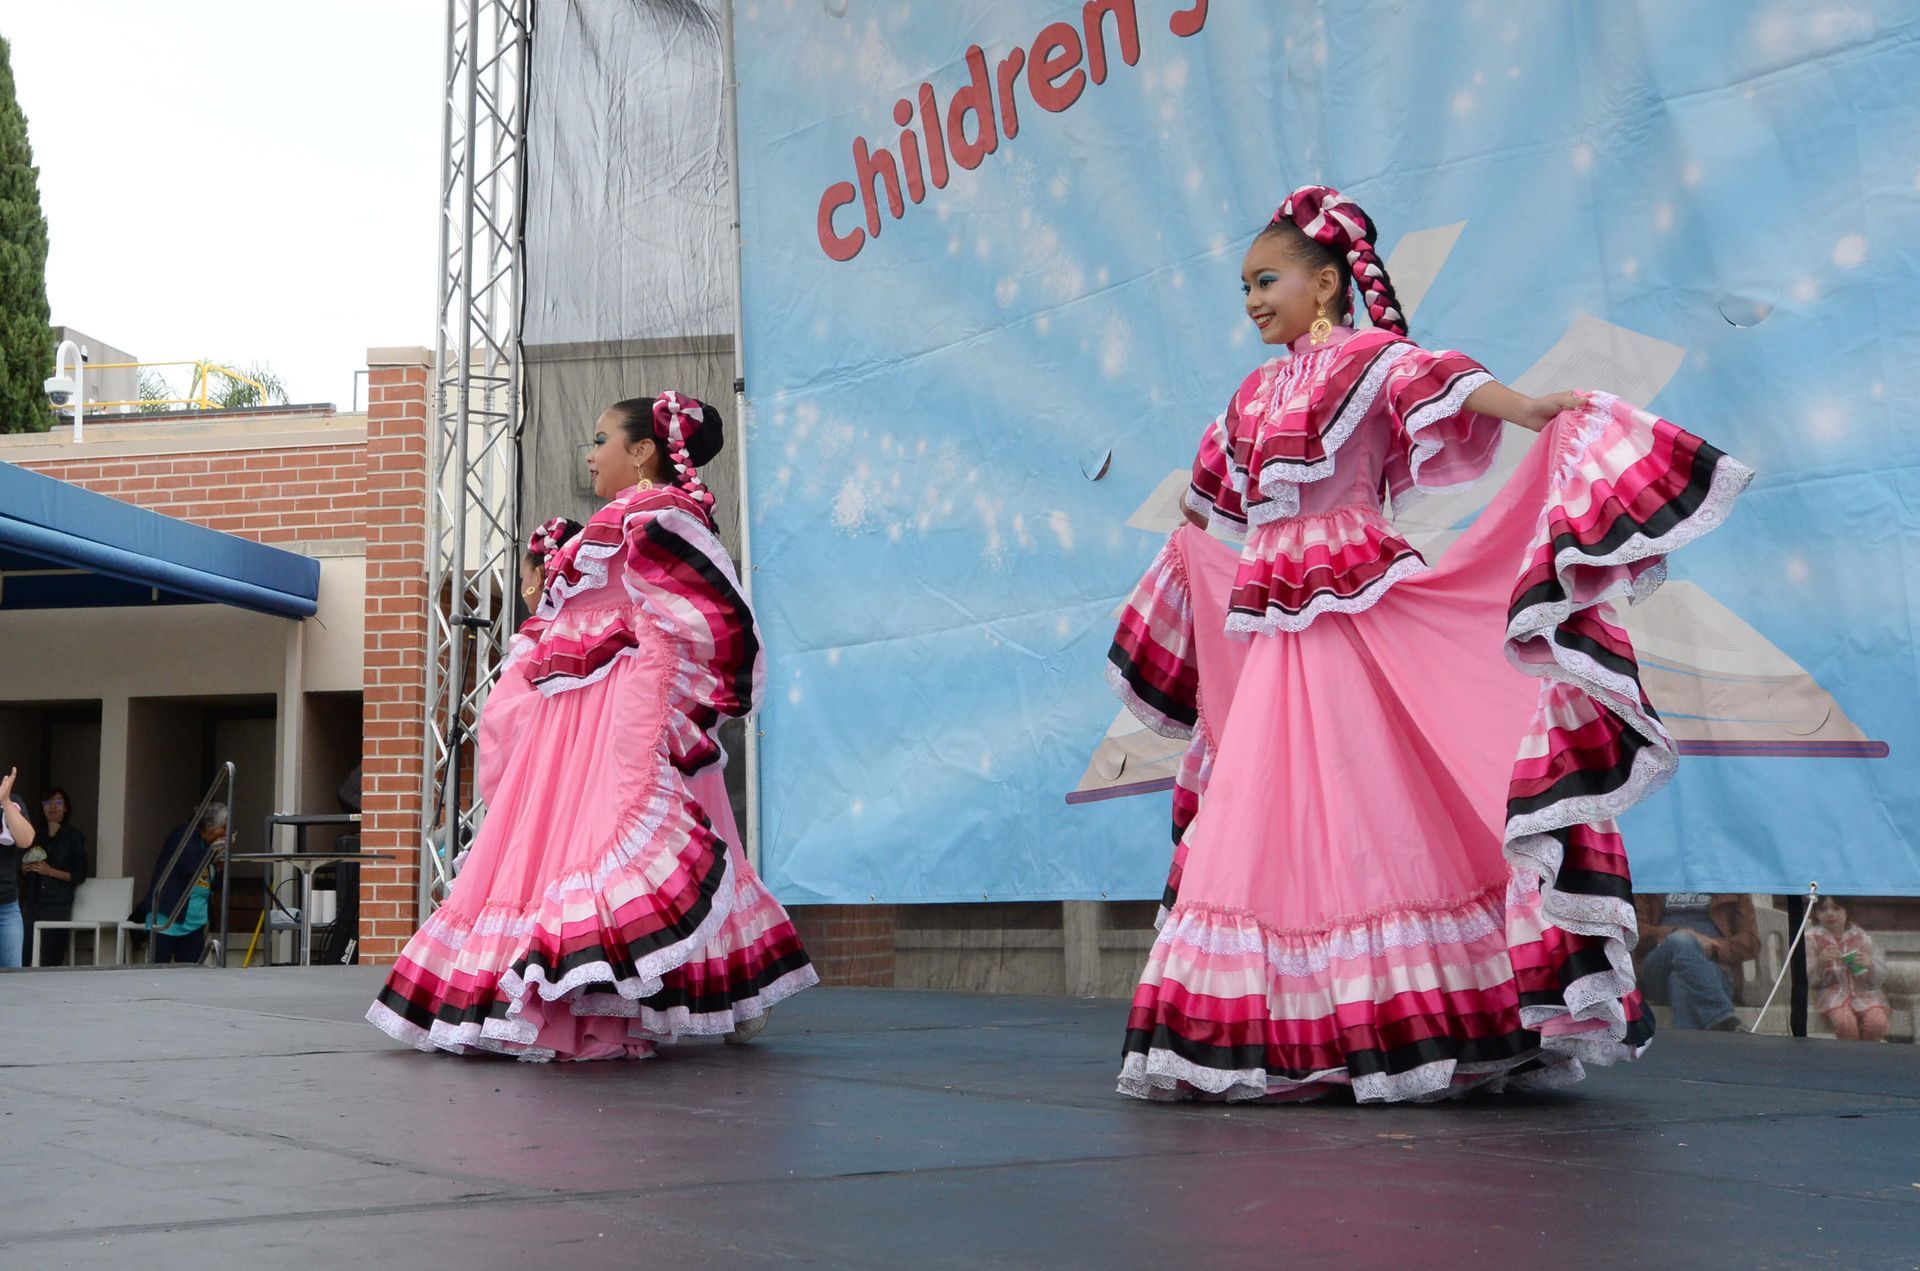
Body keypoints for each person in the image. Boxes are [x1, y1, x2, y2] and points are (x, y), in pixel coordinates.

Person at [1107, 186, 1752, 1101]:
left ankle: (1412, 1010)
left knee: (1368, 784)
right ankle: (1316, 1020)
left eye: (1267, 280)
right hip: (1281, 621)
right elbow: (1214, 493)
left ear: (1325, 284)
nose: (1252, 299)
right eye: (1244, 286)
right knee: (1277, 796)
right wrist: (1199, 529)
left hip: (1355, 597)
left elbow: (1441, 380)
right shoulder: (1250, 395)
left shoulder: (1366, 358)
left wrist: (1529, 409)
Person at [369, 392, 818, 1060]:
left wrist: (650, 710)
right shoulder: (618, 521)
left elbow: (698, 616)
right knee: (564, 851)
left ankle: (699, 992)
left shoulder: (654, 514)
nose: (590, 453)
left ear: (643, 451)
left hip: (618, 716)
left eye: (602, 439)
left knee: (623, 843)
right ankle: (662, 992)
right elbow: (560, 624)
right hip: (577, 721)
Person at [1632, 894, 1759, 1032]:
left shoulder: (1731, 888)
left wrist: (1715, 948)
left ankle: (1687, 1044)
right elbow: (1634, 930)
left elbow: (1750, 942)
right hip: (1659, 969)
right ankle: (1720, 1016)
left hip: (1716, 971)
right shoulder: (1648, 886)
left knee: (1679, 979)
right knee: (1681, 940)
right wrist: (1673, 933)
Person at [139, 803, 227, 964]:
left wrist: (220, 862)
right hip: (168, 917)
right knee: (158, 971)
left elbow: (215, 883)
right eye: (224, 828)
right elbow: (189, 867)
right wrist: (212, 853)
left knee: (190, 972)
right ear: (211, 827)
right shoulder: (184, 835)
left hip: (196, 920)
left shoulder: (207, 845)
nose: (226, 834)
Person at [1808, 896, 1891, 1042]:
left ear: (1847, 911)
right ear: (1815, 912)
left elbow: (1880, 975)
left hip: (1864, 994)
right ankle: (1851, 1053)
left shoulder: (1861, 937)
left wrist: (1869, 964)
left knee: (1877, 1023)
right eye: (1823, 909)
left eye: (1836, 908)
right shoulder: (1811, 939)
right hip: (1832, 996)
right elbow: (1805, 977)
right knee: (1845, 1024)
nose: (1830, 913)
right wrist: (1819, 963)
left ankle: (1868, 1052)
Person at [21, 786, 88, 966]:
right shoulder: (34, 835)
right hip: (32, 900)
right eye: (47, 803)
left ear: (66, 808)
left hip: (57, 903)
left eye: (58, 802)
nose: (52, 807)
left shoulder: (73, 837)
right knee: (24, 953)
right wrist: (25, 868)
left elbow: (79, 875)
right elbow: (22, 868)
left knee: (51, 956)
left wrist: (50, 871)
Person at [0, 767, 35, 968]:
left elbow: (26, 839)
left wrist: (5, 801)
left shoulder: (12, 800)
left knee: (13, 978)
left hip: (6, 907)